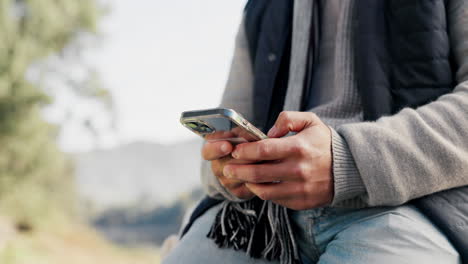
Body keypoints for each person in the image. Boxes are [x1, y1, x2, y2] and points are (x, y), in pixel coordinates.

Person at [163, 0, 468, 263]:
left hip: (414, 205)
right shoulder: (262, 6)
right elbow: (228, 129)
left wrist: (347, 161)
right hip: (261, 220)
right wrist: (227, 170)